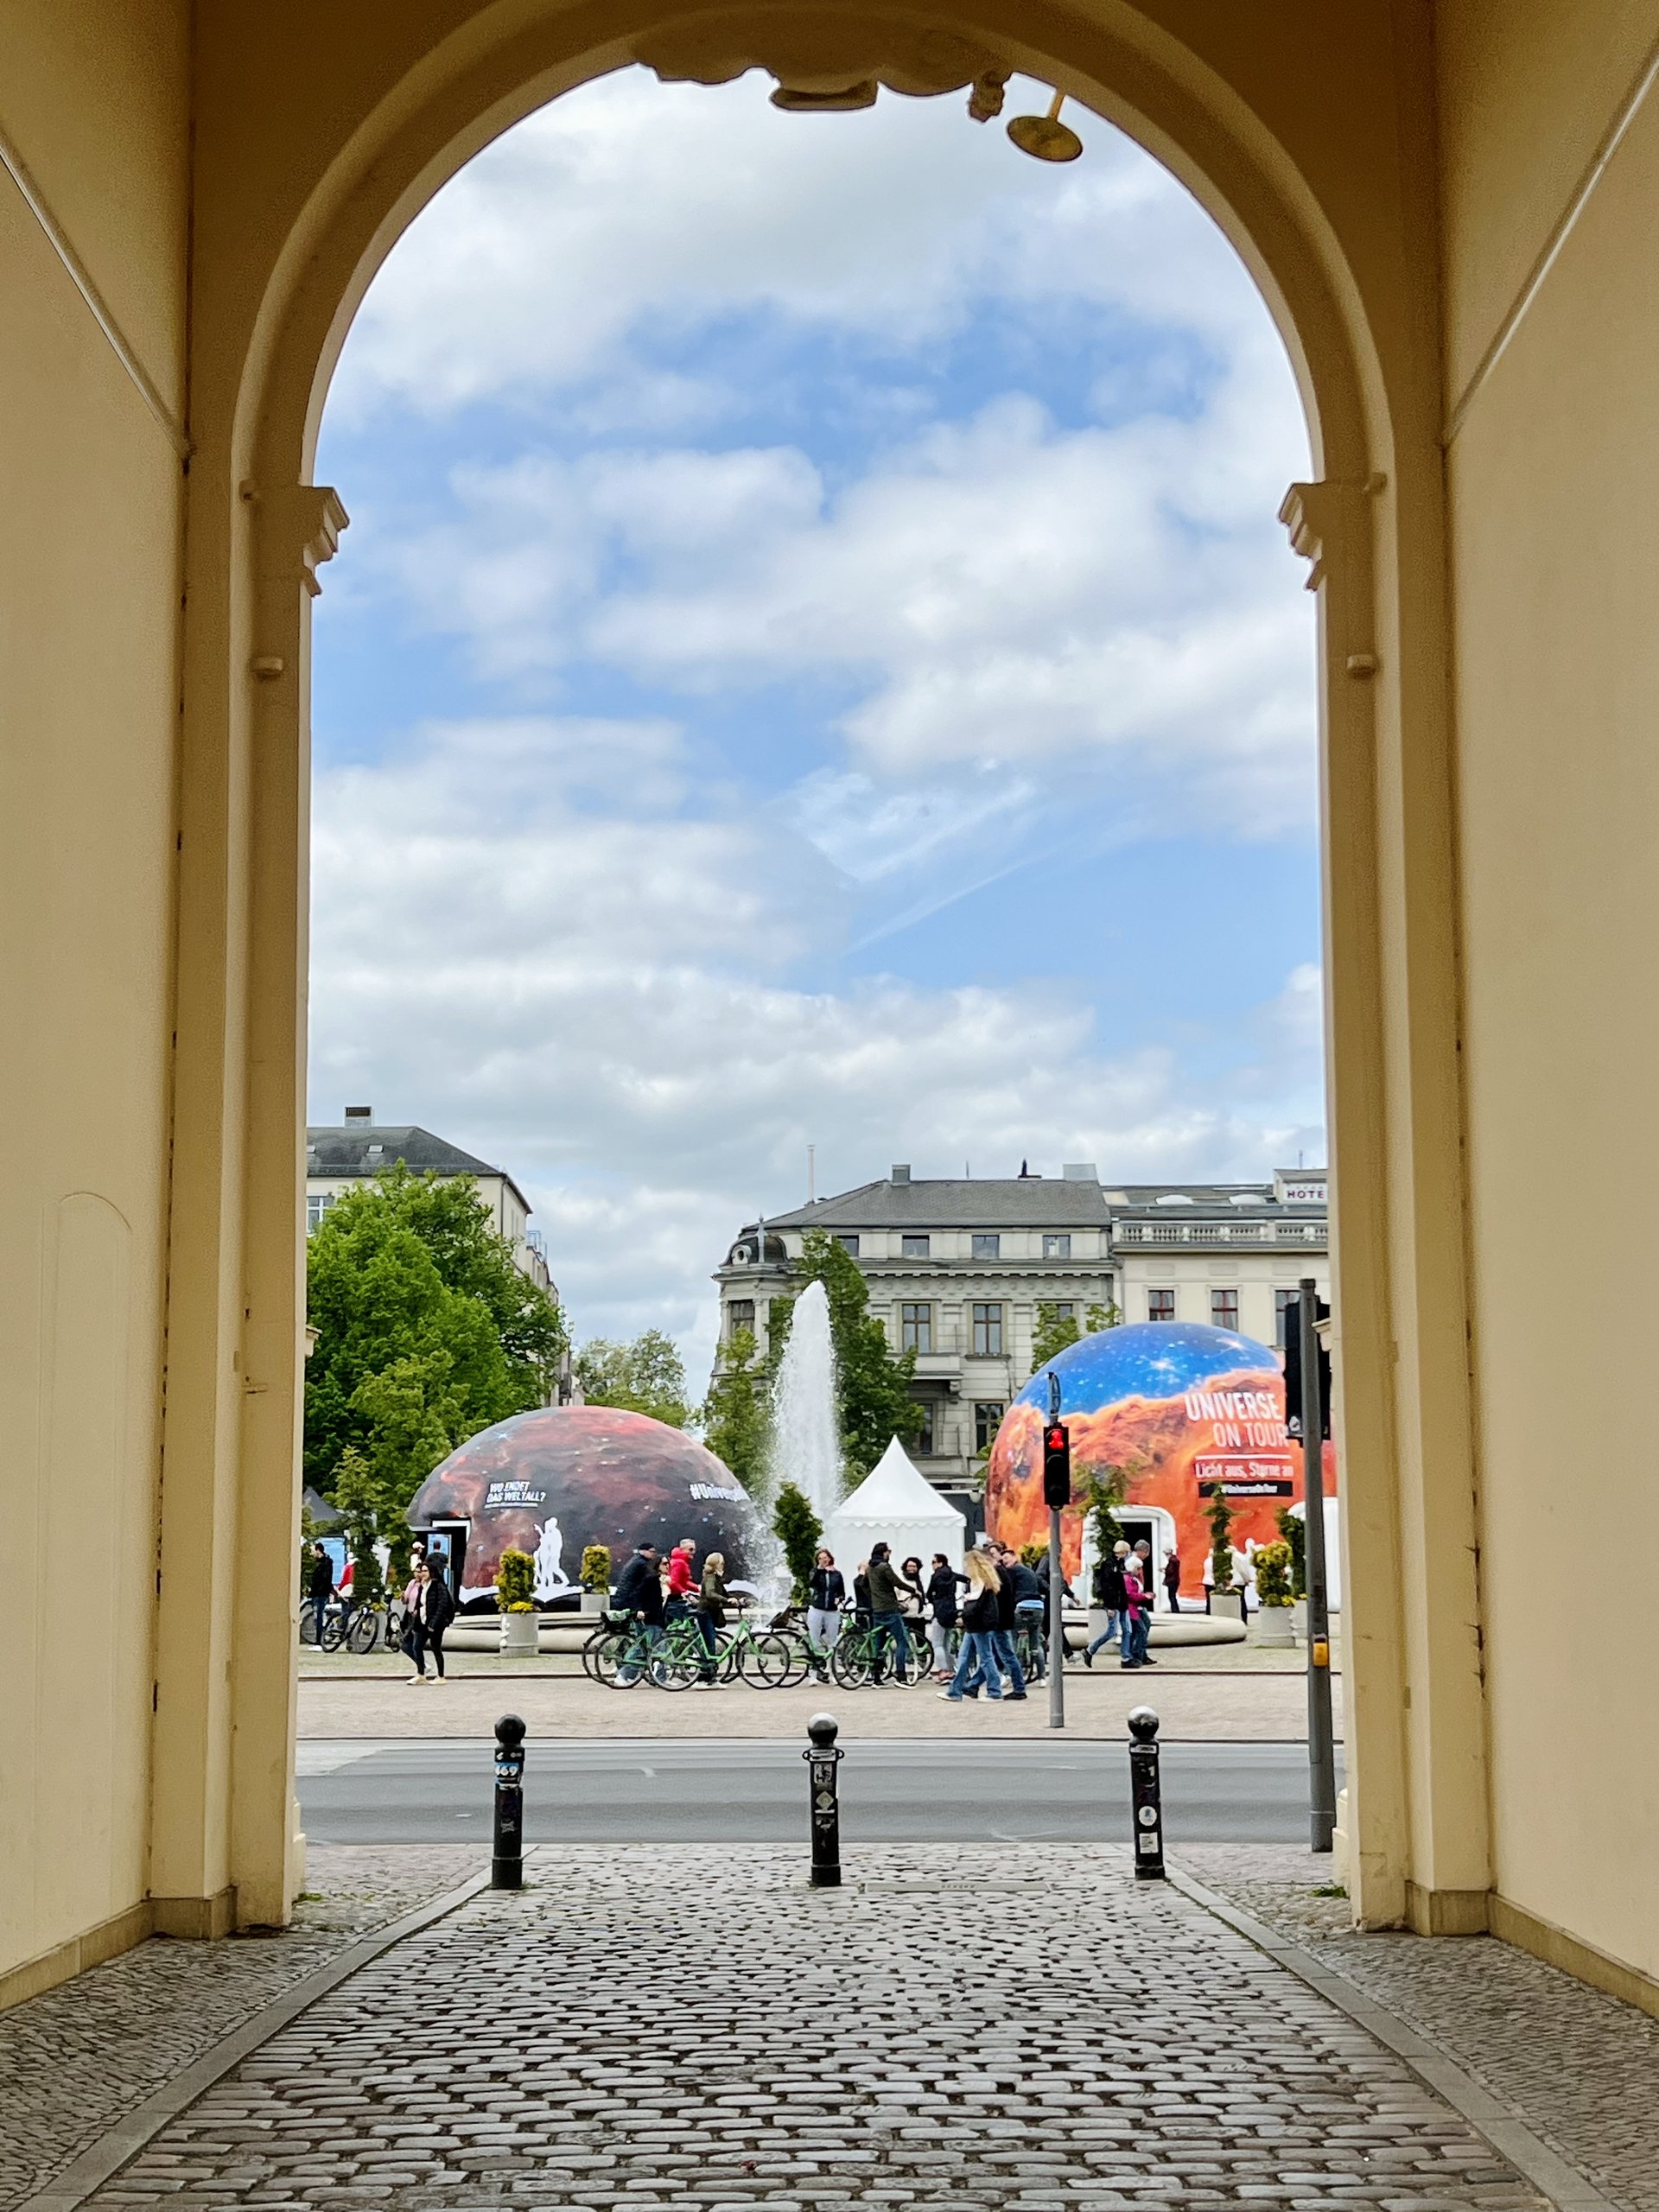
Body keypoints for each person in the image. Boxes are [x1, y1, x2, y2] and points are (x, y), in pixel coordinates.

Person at [938, 1551, 1006, 1701]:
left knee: (984, 1658)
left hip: (979, 1624)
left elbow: (975, 1605)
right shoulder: (986, 1582)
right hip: (978, 1624)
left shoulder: (979, 1582)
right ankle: (955, 1691)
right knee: (966, 1657)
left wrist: (963, 1616)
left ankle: (994, 1691)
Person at [612, 1541, 664, 1684]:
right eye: (652, 1551)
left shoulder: (634, 1561)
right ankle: (625, 1671)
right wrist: (638, 1609)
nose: (654, 1554)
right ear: (643, 1551)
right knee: (644, 1642)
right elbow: (640, 1589)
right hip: (631, 1602)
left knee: (642, 1639)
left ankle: (657, 1677)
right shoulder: (643, 1566)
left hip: (624, 1600)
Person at [864, 1542, 911, 1684]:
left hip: (877, 1611)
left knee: (879, 1642)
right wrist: (914, 1591)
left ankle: (876, 1677)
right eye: (888, 1551)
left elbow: (863, 1584)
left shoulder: (870, 1568)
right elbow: (897, 1582)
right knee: (902, 1641)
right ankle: (901, 1674)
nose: (889, 1554)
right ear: (883, 1553)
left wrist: (874, 1596)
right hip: (890, 1609)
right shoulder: (884, 1567)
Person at [1000, 1544, 1046, 1681]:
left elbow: (1009, 1591)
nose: (1005, 1562)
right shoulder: (1029, 1571)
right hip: (1038, 1607)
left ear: (1015, 1557)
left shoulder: (1011, 1571)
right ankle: (1042, 1677)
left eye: (1007, 1558)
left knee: (1012, 1638)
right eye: (1003, 1560)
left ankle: (1010, 1674)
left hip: (1021, 1606)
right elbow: (1043, 1586)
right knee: (1036, 1642)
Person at [1082, 1541, 1131, 1665]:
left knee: (1127, 1630)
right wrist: (1109, 1606)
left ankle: (1126, 1657)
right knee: (1112, 1632)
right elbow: (1108, 1587)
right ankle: (1090, 1650)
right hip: (1114, 1604)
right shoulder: (1110, 1565)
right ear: (1123, 1551)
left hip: (1121, 1603)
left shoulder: (1119, 1564)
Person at [407, 1560, 454, 1682]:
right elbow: (420, 1602)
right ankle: (421, 1674)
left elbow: (442, 1605)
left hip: (435, 1623)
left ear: (431, 1572)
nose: (423, 1573)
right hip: (422, 1621)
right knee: (417, 1646)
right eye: (421, 1571)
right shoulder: (422, 1586)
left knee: (436, 1648)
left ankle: (441, 1676)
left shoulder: (438, 1586)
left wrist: (434, 1623)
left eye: (425, 1571)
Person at [925, 1553, 967, 1679]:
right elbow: (967, 1579)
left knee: (937, 1643)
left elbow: (928, 1594)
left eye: (933, 1562)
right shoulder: (953, 1575)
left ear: (940, 1563)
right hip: (951, 1611)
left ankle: (943, 1670)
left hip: (940, 1611)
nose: (932, 1565)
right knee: (946, 1644)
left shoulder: (936, 1576)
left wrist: (934, 1601)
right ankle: (951, 1670)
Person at [807, 1549, 845, 1675]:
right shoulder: (815, 1572)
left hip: (832, 1610)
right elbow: (812, 1584)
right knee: (814, 1640)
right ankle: (814, 1672)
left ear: (829, 1558)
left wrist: (839, 1599)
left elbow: (842, 1592)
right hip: (817, 1608)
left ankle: (831, 1672)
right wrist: (820, 1570)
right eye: (820, 1558)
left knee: (832, 1642)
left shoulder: (837, 1574)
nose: (823, 1560)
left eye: (825, 1558)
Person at [696, 1551, 728, 1686]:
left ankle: (711, 1677)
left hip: (709, 1612)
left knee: (710, 1644)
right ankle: (703, 1678)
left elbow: (724, 1593)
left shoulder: (716, 1578)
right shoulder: (710, 1577)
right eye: (722, 1563)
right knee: (709, 1646)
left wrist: (736, 1600)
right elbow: (710, 1594)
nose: (723, 1566)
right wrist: (727, 1600)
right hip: (705, 1612)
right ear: (716, 1565)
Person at [1120, 1555, 1153, 1671]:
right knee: (1139, 1630)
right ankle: (1136, 1654)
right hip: (1132, 1609)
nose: (1140, 1571)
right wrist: (1145, 1596)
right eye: (1138, 1568)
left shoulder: (1132, 1579)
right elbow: (1130, 1595)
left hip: (1135, 1608)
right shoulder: (1128, 1579)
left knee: (1137, 1631)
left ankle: (1137, 1654)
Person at [664, 1536, 698, 1624]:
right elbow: (674, 1582)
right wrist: (685, 1592)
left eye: (694, 1550)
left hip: (674, 1596)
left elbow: (682, 1582)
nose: (693, 1552)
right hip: (673, 1597)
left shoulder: (679, 1561)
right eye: (691, 1550)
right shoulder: (679, 1562)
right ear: (682, 1549)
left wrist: (697, 1588)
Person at [307, 1542, 335, 1615]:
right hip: (318, 1593)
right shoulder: (322, 1563)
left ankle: (319, 1626)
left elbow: (325, 1578)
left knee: (318, 1615)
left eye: (313, 1551)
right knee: (317, 1615)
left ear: (318, 1550)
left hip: (320, 1593)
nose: (311, 1554)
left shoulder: (325, 1564)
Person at [1163, 1548, 1183, 1613]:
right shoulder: (1175, 1560)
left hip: (1172, 1581)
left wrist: (1164, 1570)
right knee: (1173, 1595)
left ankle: (1174, 1610)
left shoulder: (1171, 1561)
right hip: (1176, 1580)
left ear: (1169, 1554)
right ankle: (1176, 1609)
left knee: (1171, 1596)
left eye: (1166, 1554)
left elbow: (1170, 1571)